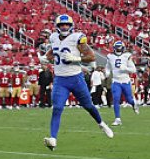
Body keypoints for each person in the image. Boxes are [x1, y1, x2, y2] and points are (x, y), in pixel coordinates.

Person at [42, 14, 113, 151]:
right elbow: (54, 50)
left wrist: (75, 58)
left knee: (88, 105)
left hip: (76, 78)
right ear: (57, 26)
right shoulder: (53, 37)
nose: (64, 27)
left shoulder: (77, 38)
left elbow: (91, 56)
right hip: (60, 80)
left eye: (67, 25)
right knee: (57, 108)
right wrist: (46, 58)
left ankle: (101, 123)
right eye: (62, 25)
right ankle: (53, 139)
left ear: (71, 26)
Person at [106, 40, 139, 126]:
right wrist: (107, 73)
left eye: (120, 49)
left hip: (125, 81)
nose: (118, 50)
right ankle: (117, 119)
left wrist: (125, 69)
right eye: (117, 48)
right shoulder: (110, 56)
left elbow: (134, 70)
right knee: (116, 99)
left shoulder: (126, 56)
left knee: (129, 99)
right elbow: (108, 67)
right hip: (116, 81)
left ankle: (133, 104)